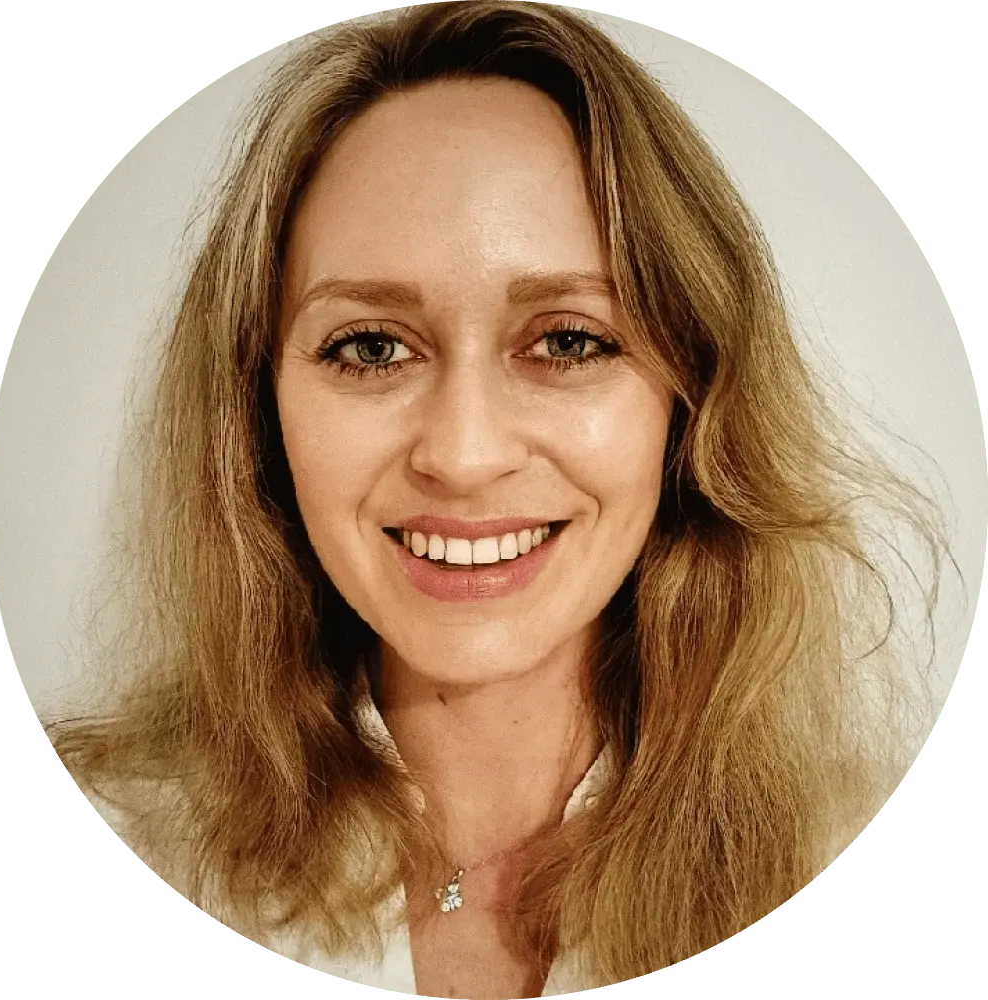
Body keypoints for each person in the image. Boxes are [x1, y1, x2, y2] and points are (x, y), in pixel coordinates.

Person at [47, 2, 956, 997]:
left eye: (569, 340)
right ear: (260, 411)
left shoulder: (889, 871)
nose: (465, 454)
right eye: (370, 346)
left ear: (688, 403)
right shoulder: (74, 843)